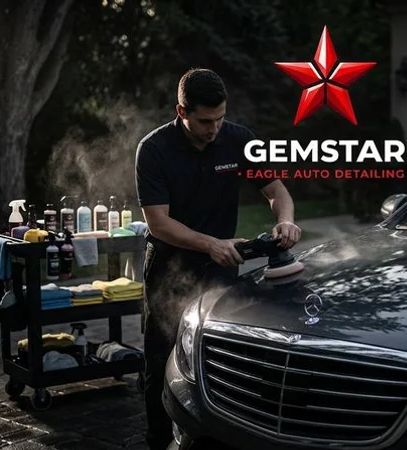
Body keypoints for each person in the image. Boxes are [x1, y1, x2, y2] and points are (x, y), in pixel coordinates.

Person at [134, 67, 301, 450]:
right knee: (161, 362)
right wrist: (210, 243)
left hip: (223, 268)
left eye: (220, 118)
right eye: (205, 121)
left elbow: (277, 191)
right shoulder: (154, 149)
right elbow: (158, 223)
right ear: (182, 111)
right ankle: (158, 441)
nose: (214, 129)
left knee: (222, 356)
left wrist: (286, 221)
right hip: (169, 269)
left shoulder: (238, 139)